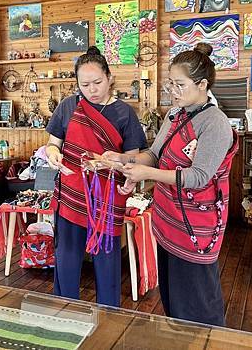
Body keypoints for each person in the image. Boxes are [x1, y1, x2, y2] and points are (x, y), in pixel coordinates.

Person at [103, 45, 238, 326]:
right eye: (171, 84)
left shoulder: (215, 123)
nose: (173, 91)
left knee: (198, 306)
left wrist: (148, 173)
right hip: (168, 221)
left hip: (195, 227)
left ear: (202, 85)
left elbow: (199, 176)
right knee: (174, 301)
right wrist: (123, 158)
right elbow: (154, 153)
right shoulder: (175, 115)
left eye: (180, 85)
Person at [45, 46, 146, 307]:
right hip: (71, 194)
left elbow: (133, 158)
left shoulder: (125, 113)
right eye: (85, 84)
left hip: (107, 197)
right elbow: (52, 143)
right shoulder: (69, 106)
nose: (92, 89)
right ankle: (66, 314)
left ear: (110, 77)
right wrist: (53, 153)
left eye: (97, 82)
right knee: (66, 258)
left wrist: (116, 161)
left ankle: (108, 318)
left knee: (107, 260)